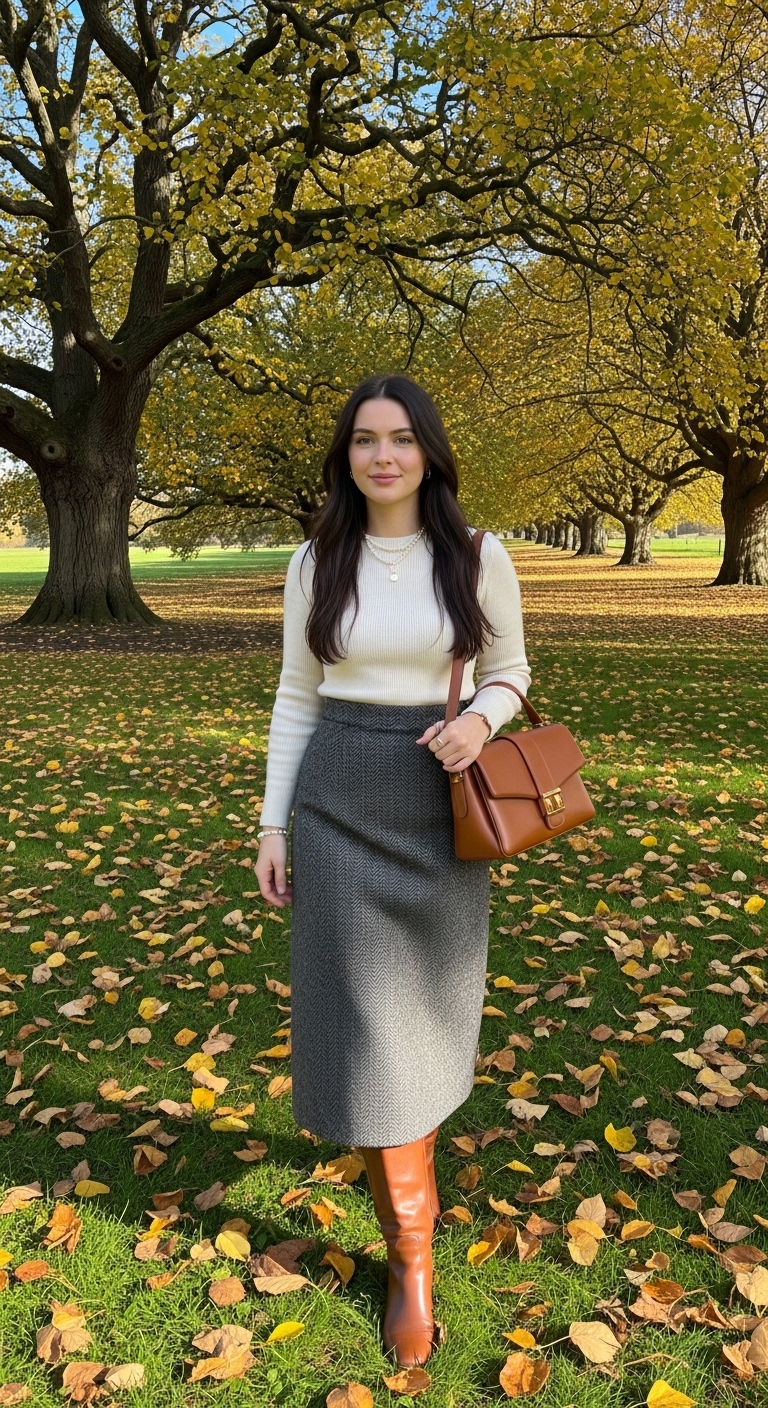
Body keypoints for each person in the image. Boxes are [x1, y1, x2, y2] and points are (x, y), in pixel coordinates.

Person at [255, 373, 531, 1367]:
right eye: (366, 440)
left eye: (402, 439)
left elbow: (512, 672)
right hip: (335, 801)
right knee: (369, 1026)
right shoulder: (313, 561)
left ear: (428, 452)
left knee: (420, 1014)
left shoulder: (477, 555)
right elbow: (296, 694)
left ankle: (402, 1180)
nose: (383, 456)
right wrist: (271, 824)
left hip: (437, 806)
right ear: (345, 457)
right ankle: (412, 1257)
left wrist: (476, 720)